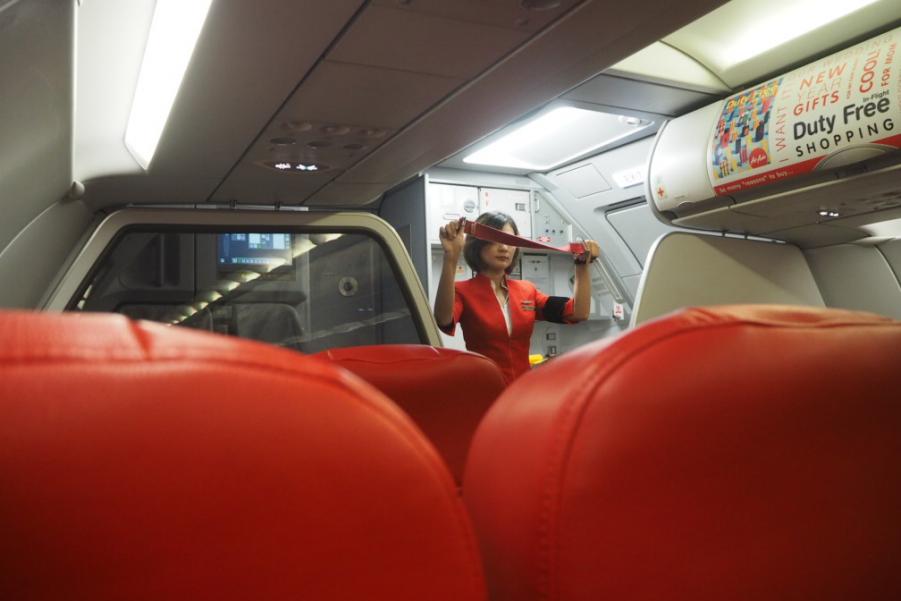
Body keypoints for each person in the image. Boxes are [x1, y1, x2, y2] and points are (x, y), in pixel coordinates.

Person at [434, 211, 600, 384]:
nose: (504, 248)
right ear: (478, 244)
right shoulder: (462, 291)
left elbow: (578, 313)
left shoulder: (526, 290)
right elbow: (443, 320)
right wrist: (451, 257)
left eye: (509, 241)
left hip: (521, 390)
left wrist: (581, 264)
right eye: (495, 240)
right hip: (484, 388)